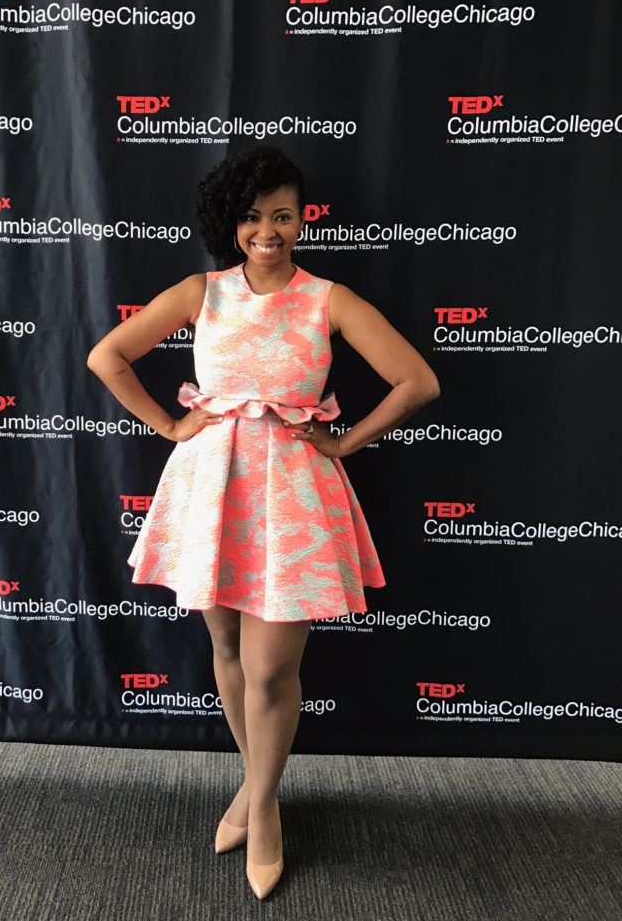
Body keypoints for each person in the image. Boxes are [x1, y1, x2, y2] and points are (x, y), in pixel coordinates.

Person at [87, 145, 440, 899]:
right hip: (211, 489)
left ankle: (263, 803)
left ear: (304, 217)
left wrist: (343, 441)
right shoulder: (199, 292)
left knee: (273, 667)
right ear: (232, 222)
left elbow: (418, 382)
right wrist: (171, 426)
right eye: (252, 216)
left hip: (295, 498)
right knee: (224, 644)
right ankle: (257, 788)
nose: (268, 230)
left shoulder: (328, 299)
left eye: (282, 214)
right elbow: (108, 357)